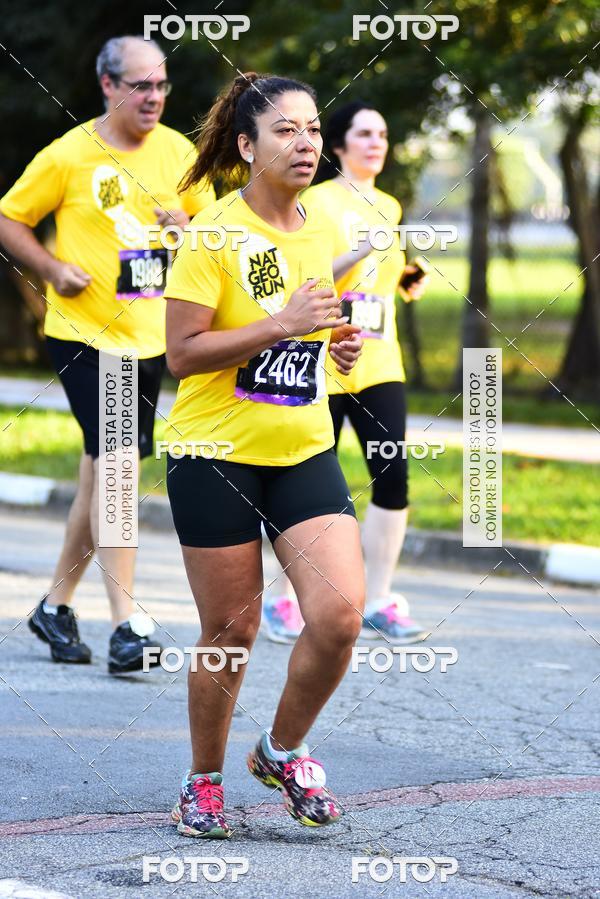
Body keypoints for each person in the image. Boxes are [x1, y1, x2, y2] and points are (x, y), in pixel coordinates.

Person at [164, 72, 364, 837]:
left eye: (313, 128)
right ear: (246, 146)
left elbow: (305, 329)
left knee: (341, 614)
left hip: (302, 445)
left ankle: (280, 748)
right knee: (232, 629)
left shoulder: (323, 226)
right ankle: (203, 781)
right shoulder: (211, 233)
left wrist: (328, 342)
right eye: (286, 129)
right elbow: (182, 354)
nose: (306, 142)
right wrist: (282, 324)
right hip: (214, 451)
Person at [0, 35, 215, 673]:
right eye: (140, 85)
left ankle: (55, 606)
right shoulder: (69, 155)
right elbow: (9, 218)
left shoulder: (180, 152)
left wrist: (191, 232)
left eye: (161, 85)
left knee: (101, 470)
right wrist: (50, 267)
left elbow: (219, 232)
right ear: (108, 86)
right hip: (85, 336)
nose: (153, 97)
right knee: (119, 464)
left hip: (151, 339)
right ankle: (126, 622)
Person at [262, 100, 429, 645]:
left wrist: (406, 276)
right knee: (308, 485)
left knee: (393, 477)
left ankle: (379, 599)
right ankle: (286, 602)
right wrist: (359, 251)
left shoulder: (390, 204)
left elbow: (383, 268)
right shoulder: (316, 203)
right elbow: (302, 275)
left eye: (382, 133)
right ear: (339, 145)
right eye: (364, 134)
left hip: (379, 360)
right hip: (326, 361)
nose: (376, 142)